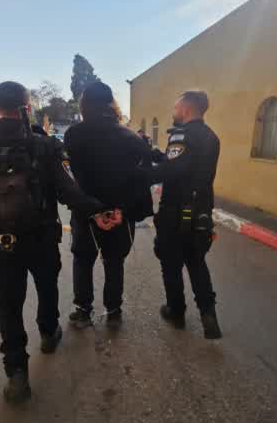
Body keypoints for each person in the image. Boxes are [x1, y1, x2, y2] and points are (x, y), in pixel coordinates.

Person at [0, 81, 117, 404]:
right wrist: (98, 210)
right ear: (26, 106)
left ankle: (16, 376)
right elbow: (68, 192)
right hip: (41, 238)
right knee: (46, 286)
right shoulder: (41, 146)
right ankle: (48, 332)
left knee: (8, 306)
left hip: (0, 245)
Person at [63, 81, 154, 330]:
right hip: (120, 214)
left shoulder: (73, 134)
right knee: (114, 262)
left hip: (85, 212)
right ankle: (114, 311)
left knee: (83, 261)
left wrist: (93, 210)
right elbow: (141, 179)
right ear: (111, 103)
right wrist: (120, 209)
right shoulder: (132, 138)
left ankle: (83, 310)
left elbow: (73, 178)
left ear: (84, 105)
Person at [144, 90, 223, 339]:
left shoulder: (181, 134)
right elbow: (183, 163)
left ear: (186, 110)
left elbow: (173, 170)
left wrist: (141, 175)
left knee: (171, 264)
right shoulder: (211, 137)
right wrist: (154, 153)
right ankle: (209, 315)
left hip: (175, 213)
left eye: (176, 108)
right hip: (200, 212)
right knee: (197, 263)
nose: (174, 112)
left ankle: (176, 312)